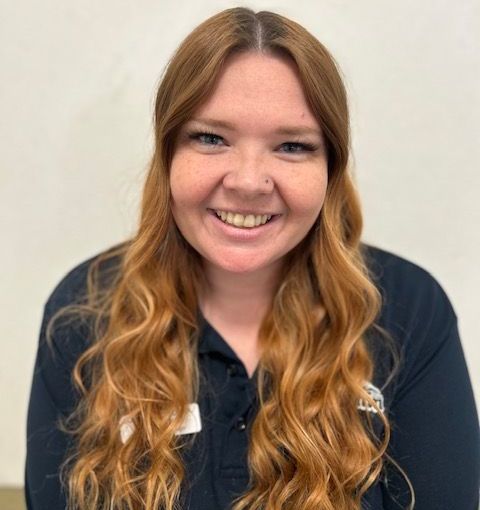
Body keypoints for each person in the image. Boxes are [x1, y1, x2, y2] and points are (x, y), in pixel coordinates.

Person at [25, 7, 479, 510]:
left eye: (291, 146)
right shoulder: (83, 311)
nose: (247, 181)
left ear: (330, 168)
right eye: (211, 138)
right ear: (168, 153)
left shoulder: (409, 309)